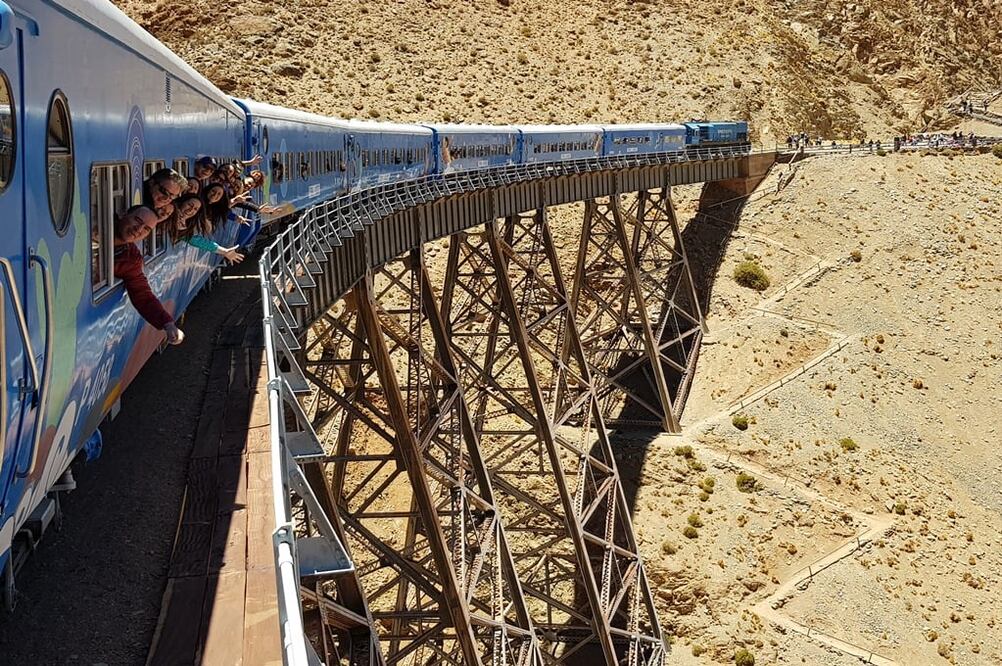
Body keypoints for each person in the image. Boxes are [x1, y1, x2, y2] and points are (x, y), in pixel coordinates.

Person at [113, 205, 184, 345]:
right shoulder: (94, 221)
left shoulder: (131, 258)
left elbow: (143, 296)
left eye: (146, 229)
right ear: (123, 214)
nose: (138, 230)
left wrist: (168, 323)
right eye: (137, 221)